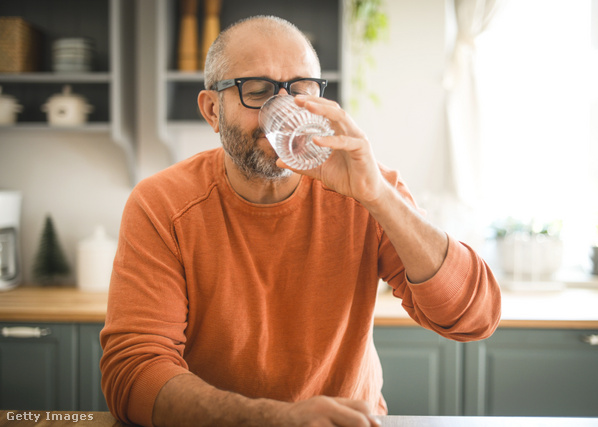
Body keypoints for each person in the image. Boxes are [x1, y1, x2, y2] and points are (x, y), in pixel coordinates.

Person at [100, 15, 501, 427]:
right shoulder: (163, 204)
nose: (284, 109)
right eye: (257, 92)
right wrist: (272, 419)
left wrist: (379, 197)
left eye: (301, 91)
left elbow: (475, 318)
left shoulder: (365, 189)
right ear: (212, 111)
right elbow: (133, 373)